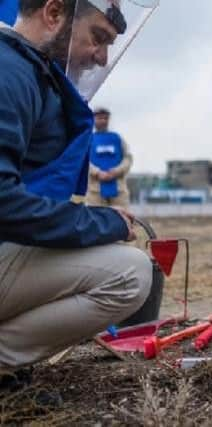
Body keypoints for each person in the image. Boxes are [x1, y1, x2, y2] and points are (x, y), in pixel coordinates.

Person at [0, 0, 158, 377]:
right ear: (54, 14)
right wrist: (102, 223)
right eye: (98, 38)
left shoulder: (26, 68)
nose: (102, 58)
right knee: (129, 274)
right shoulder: (10, 72)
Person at [86, 107, 132, 208]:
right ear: (93, 119)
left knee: (122, 219)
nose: (103, 121)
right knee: (96, 219)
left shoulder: (117, 138)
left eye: (105, 118)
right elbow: (83, 161)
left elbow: (128, 158)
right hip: (95, 191)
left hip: (118, 189)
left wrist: (116, 171)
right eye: (100, 118)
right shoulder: (88, 139)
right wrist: (97, 172)